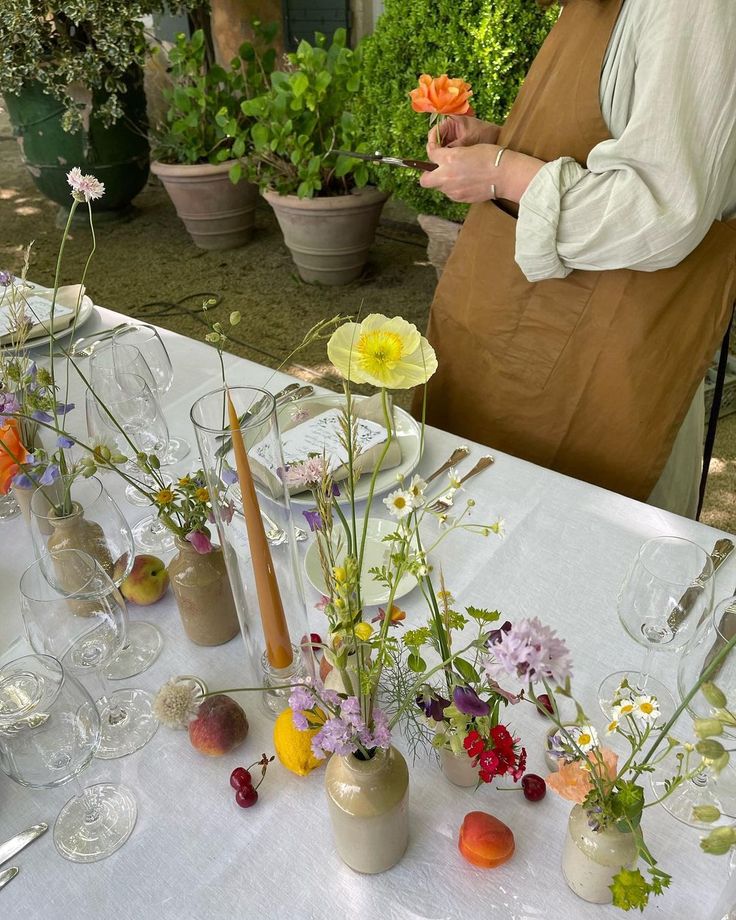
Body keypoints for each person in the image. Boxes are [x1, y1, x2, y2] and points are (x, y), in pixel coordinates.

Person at [414, 0, 736, 518]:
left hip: (609, 365)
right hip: (524, 337)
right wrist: (502, 142)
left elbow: (662, 210)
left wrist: (503, 173)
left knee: (574, 555)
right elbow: (615, 140)